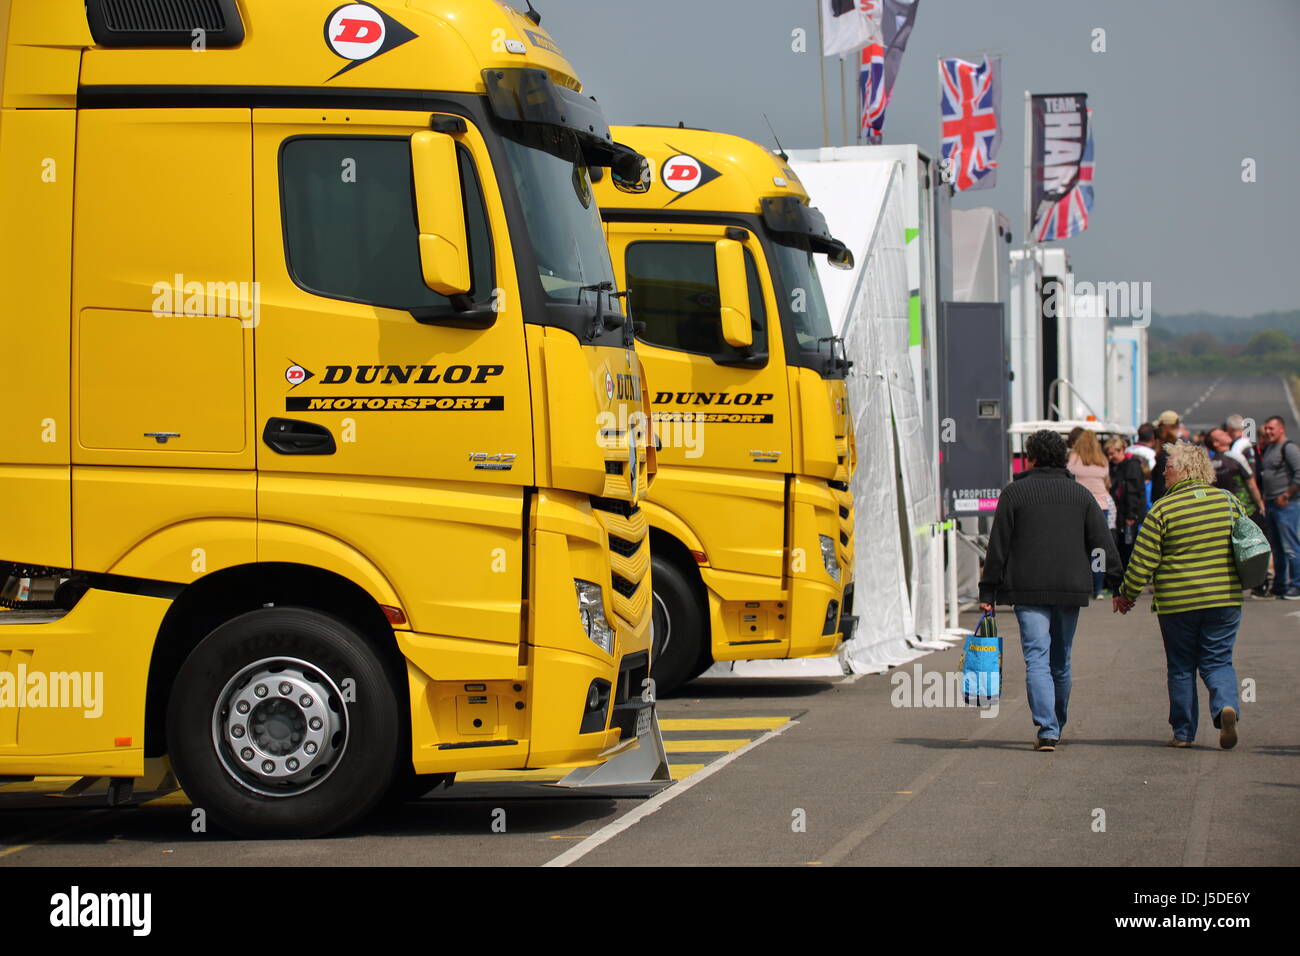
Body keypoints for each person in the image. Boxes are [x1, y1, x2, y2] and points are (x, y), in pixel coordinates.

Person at [979, 429, 1122, 752]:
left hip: (1026, 588)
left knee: (1036, 658)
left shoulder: (1014, 494)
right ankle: (1057, 721)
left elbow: (998, 546)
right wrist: (1117, 584)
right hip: (1069, 587)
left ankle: (1047, 729)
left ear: (1031, 458)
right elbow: (1102, 543)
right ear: (1062, 456)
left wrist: (988, 592)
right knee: (1061, 660)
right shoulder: (1080, 495)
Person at [1114, 443, 1245, 749]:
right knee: (1218, 660)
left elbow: (1143, 559)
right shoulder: (1228, 501)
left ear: (1187, 470)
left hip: (1178, 603)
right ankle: (1226, 706)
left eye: (1169, 466)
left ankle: (1184, 733)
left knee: (1182, 666)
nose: (1164, 472)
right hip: (1224, 597)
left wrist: (1127, 594)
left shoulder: (1163, 509)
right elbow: (1246, 542)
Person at [1068, 429, 1116, 597]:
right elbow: (1107, 480)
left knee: (1079, 546)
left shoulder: (1073, 458)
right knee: (1099, 549)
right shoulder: (1102, 460)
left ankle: (1082, 585)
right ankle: (1098, 588)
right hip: (1101, 506)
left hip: (1080, 505)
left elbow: (1069, 476)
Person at [1259, 416, 1300, 600]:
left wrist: (1286, 495)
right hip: (1271, 503)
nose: (1268, 432)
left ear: (1281, 429)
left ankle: (1297, 585)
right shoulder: (1270, 448)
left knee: (1290, 547)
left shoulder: (1288, 448)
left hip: (1286, 505)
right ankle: (1280, 585)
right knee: (1277, 548)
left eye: (1271, 428)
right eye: (1266, 428)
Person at [1106, 436, 1146, 570]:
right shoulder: (1116, 467)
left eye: (1112, 454)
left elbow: (1133, 493)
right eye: (1108, 454)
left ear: (1121, 450)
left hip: (1128, 514)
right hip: (1120, 513)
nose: (1110, 457)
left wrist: (1131, 515)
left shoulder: (1131, 466)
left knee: (1127, 547)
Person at [1208, 428, 1265, 520]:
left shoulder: (1210, 464)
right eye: (1222, 434)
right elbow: (1251, 483)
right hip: (1246, 509)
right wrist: (1260, 505)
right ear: (1216, 443)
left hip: (1225, 512)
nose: (1226, 433)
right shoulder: (1236, 457)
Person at [1149, 410, 1182, 503]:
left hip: (1166, 501)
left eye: (1160, 426)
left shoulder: (1165, 454)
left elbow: (1160, 484)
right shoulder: (1182, 446)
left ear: (1166, 426)